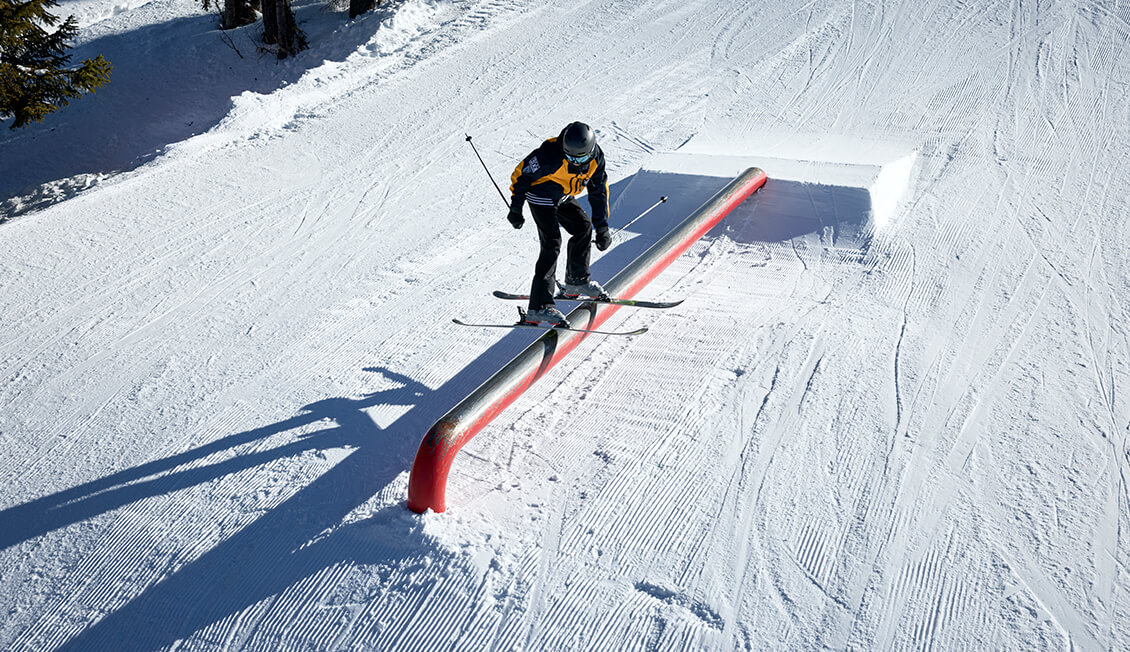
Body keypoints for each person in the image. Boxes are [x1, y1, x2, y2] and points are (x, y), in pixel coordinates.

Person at [507, 122, 612, 327]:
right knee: (552, 243)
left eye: (580, 158)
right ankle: (539, 307)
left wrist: (602, 228)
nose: (575, 162)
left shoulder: (596, 158)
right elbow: (520, 176)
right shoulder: (549, 155)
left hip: (562, 194)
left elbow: (598, 191)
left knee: (583, 227)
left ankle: (576, 281)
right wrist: (516, 208)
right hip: (540, 194)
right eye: (570, 157)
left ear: (591, 150)